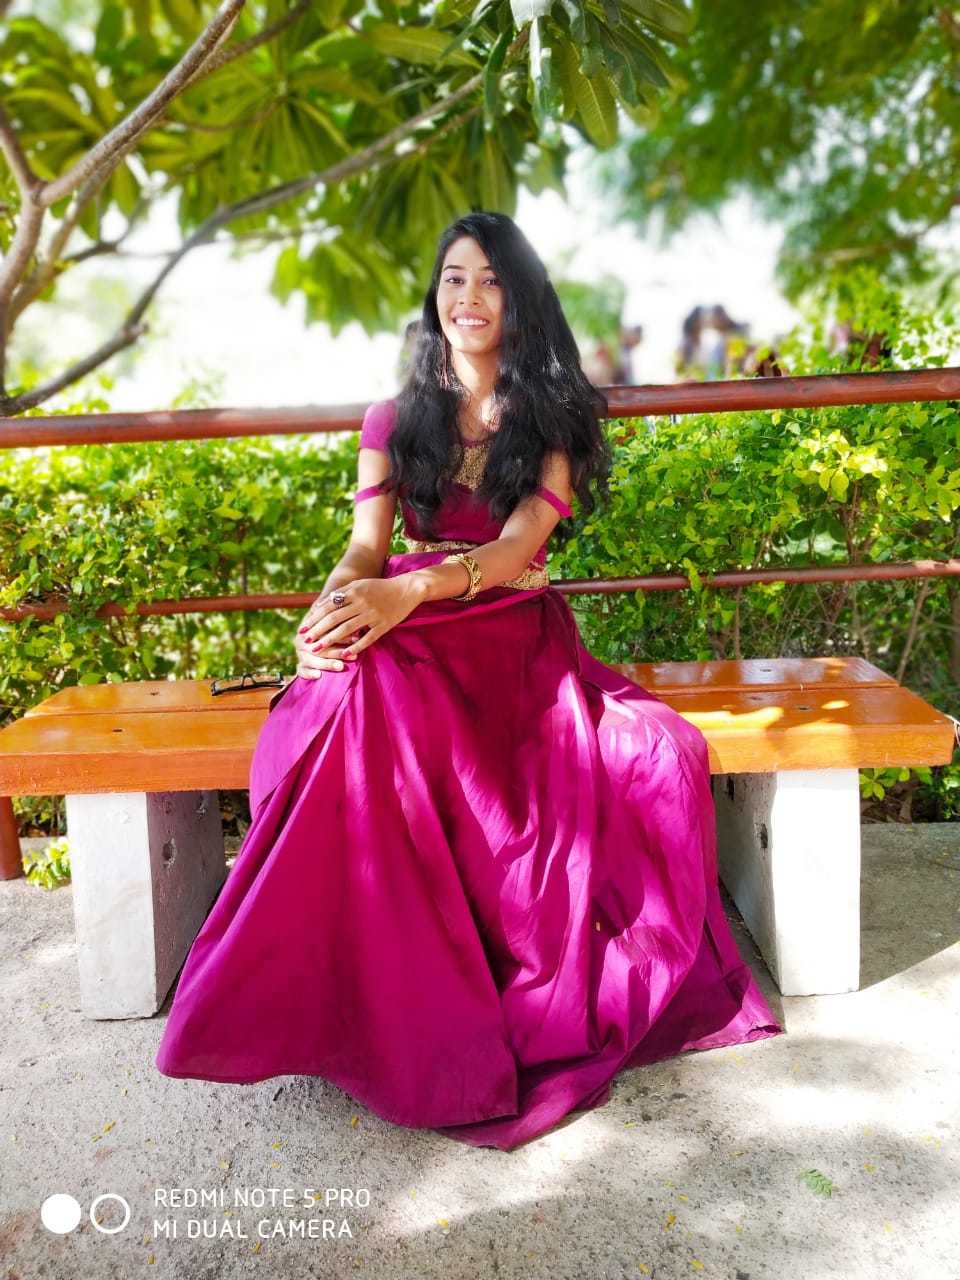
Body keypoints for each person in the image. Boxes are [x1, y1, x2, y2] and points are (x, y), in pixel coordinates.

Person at [154, 211, 784, 1152]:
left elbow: (519, 549)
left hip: (508, 629)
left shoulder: (550, 419)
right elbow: (364, 549)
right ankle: (345, 989)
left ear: (520, 300)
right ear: (434, 296)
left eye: (491, 280)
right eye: (454, 277)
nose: (470, 297)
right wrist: (330, 613)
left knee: (634, 749)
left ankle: (427, 997)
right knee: (353, 688)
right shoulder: (391, 419)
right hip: (402, 616)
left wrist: (408, 594)